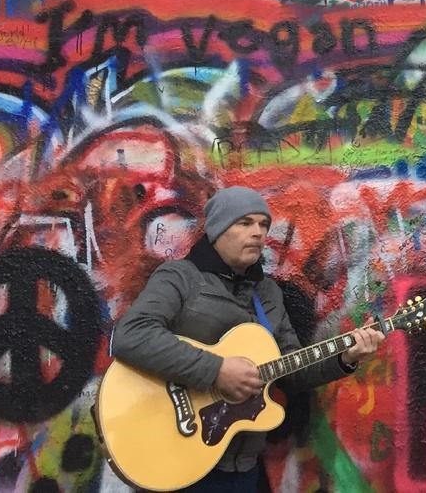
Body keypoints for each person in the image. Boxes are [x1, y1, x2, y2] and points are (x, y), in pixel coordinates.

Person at [112, 186, 385, 492]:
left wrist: (345, 358)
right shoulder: (180, 277)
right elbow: (131, 334)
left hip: (243, 468)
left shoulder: (267, 292)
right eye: (245, 223)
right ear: (217, 230)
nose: (258, 233)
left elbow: (290, 372)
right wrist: (216, 371)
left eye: (263, 224)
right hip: (179, 455)